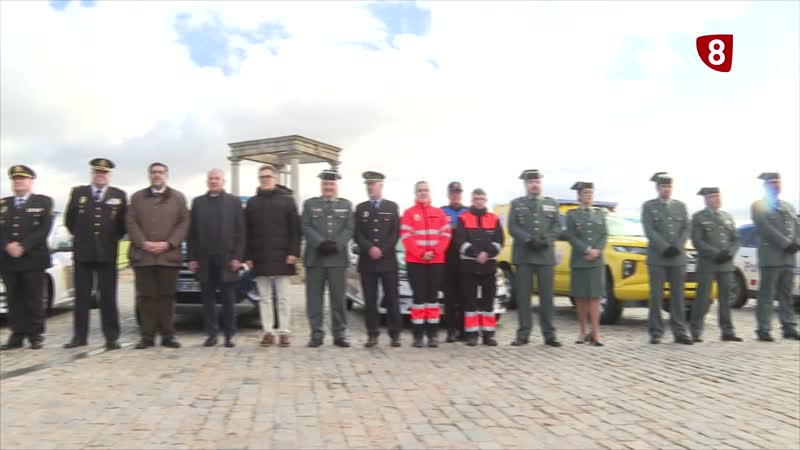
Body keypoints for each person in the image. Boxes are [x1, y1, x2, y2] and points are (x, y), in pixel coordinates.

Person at [63, 158, 127, 350]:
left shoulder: (119, 195)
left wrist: (110, 240)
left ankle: (111, 338)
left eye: (104, 173)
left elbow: (122, 225)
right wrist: (83, 237)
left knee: (108, 297)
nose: (101, 175)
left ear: (109, 175)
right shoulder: (78, 193)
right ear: (92, 173)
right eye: (97, 172)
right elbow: (69, 220)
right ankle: (79, 337)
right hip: (83, 253)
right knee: (82, 297)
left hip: (107, 253)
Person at [126, 162, 190, 349]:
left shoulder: (178, 198)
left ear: (166, 175)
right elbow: (130, 222)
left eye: (161, 172)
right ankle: (147, 336)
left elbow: (184, 223)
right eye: (154, 172)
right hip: (143, 257)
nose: (157, 175)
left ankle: (168, 336)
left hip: (168, 257)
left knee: (167, 297)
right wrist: (143, 243)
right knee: (146, 298)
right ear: (149, 175)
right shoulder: (137, 198)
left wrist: (169, 243)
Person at [188, 169, 245, 348]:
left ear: (223, 181)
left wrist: (238, 257)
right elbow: (192, 234)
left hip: (227, 260)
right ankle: (211, 334)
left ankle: (229, 335)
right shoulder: (198, 202)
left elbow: (241, 232)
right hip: (205, 260)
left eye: (217, 178)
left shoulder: (233, 202)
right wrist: (192, 258)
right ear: (207, 181)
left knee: (228, 300)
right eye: (211, 179)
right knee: (207, 300)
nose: (214, 181)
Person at [245, 164, 301, 348]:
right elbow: (246, 231)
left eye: (268, 176)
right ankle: (268, 331)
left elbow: (295, 230)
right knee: (265, 297)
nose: (265, 180)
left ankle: (284, 331)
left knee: (283, 297)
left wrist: (293, 252)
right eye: (262, 177)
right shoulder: (252, 203)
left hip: (283, 256)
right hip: (259, 256)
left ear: (275, 179)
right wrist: (248, 256)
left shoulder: (287, 201)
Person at [0, 165, 53, 350]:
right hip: (8, 259)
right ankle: (17, 334)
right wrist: (7, 245)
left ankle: (35, 335)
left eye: (22, 179)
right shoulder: (3, 204)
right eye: (15, 179)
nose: (18, 182)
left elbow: (44, 229)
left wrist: (23, 246)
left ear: (30, 181)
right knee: (14, 299)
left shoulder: (43, 202)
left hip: (33, 258)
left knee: (34, 298)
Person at [508, 169, 563, 347]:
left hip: (545, 256)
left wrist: (547, 240)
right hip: (524, 255)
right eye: (531, 182)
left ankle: (549, 335)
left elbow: (557, 226)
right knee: (523, 298)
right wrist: (528, 239)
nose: (534, 185)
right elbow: (512, 227)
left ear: (541, 183)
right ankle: (523, 334)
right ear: (526, 184)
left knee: (547, 297)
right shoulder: (517, 204)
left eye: (537, 181)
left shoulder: (552, 203)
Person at [301, 168, 354, 348]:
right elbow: (305, 226)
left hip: (337, 259)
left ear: (336, 185)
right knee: (314, 300)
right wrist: (320, 243)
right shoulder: (310, 204)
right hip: (315, 258)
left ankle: (339, 334)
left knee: (338, 300)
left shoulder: (346, 205)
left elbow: (349, 228)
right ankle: (316, 334)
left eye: (331, 184)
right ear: (321, 185)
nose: (328, 187)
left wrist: (337, 244)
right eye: (325, 184)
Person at [641, 172, 693, 345]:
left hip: (677, 257)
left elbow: (686, 228)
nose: (667, 189)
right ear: (657, 188)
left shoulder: (680, 206)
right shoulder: (649, 206)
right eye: (663, 186)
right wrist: (664, 247)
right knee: (656, 296)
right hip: (657, 257)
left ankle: (679, 332)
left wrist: (678, 246)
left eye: (669, 186)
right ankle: (656, 332)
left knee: (678, 296)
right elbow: (649, 230)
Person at [400, 181, 451, 348]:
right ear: (415, 193)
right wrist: (421, 253)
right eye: (420, 190)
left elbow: (446, 235)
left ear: (430, 192)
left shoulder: (439, 213)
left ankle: (433, 335)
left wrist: (434, 252)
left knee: (433, 299)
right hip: (416, 262)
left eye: (426, 190)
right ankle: (418, 336)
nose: (423, 193)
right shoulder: (408, 213)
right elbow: (406, 237)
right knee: (418, 299)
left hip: (436, 262)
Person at [353, 171, 401, 348]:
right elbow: (357, 233)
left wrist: (382, 249)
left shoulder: (392, 207)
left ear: (381, 185)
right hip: (368, 261)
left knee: (392, 299)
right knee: (370, 300)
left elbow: (395, 233)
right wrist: (370, 248)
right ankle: (372, 334)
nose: (369, 188)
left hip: (387, 261)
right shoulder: (361, 208)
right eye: (367, 185)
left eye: (372, 185)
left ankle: (395, 334)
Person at [750, 172, 799, 341]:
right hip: (771, 258)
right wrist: (786, 243)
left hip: (788, 258)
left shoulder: (788, 206)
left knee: (787, 295)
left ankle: (789, 327)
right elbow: (765, 228)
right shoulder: (759, 205)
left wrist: (797, 242)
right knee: (767, 296)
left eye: (778, 182)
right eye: (772, 183)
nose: (776, 185)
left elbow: (797, 226)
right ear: (765, 186)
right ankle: (763, 329)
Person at [689, 187, 742, 342]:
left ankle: (727, 331)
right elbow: (697, 241)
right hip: (708, 264)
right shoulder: (699, 217)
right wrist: (715, 253)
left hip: (725, 264)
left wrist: (730, 253)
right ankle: (696, 331)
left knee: (725, 298)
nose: (717, 199)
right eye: (713, 197)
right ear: (706, 200)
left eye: (718, 196)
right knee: (703, 298)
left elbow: (736, 239)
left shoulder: (727, 216)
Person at [453, 188, 504, 346]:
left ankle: (488, 335)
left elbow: (499, 242)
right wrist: (476, 255)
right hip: (469, 266)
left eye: (481, 198)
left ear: (485, 200)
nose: (479, 201)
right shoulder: (463, 218)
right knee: (470, 302)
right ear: (472, 200)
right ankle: (472, 334)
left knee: (489, 301)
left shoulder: (494, 219)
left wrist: (486, 254)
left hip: (489, 266)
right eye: (476, 199)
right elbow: (460, 241)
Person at [564, 182, 608, 346]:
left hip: (596, 261)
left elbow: (604, 234)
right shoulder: (572, 214)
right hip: (580, 260)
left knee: (595, 297)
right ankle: (582, 331)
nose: (589, 196)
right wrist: (586, 249)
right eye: (585, 193)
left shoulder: (600, 213)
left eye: (590, 193)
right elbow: (571, 236)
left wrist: (597, 251)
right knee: (581, 297)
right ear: (579, 196)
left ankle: (596, 333)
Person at [441, 181, 468, 342]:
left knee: (464, 296)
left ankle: (463, 330)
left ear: (461, 195)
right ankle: (451, 330)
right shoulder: (441, 211)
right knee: (449, 298)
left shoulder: (468, 212)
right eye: (453, 193)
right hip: (447, 260)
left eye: (458, 193)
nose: (455, 195)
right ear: (448, 194)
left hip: (464, 259)